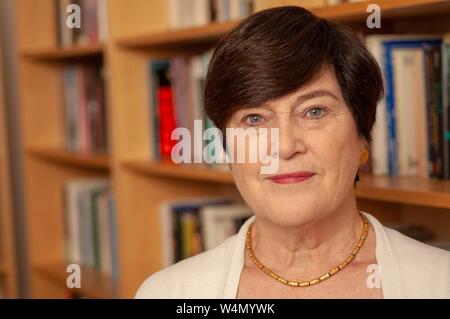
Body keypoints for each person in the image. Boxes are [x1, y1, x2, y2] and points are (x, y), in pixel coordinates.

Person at [136, 6, 450, 298]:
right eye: (255, 119)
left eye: (314, 112)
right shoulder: (170, 292)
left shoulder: (439, 282)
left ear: (363, 138)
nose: (285, 147)